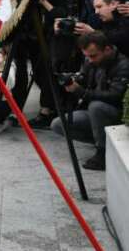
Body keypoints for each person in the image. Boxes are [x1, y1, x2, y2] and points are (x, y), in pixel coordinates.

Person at [52, 31, 129, 170]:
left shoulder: (123, 65)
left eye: (93, 56)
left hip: (118, 114)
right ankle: (106, 143)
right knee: (59, 124)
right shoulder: (91, 60)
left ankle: (102, 152)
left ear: (107, 49)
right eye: (86, 56)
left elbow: (115, 96)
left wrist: (81, 92)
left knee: (96, 107)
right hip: (95, 113)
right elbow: (83, 77)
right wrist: (73, 80)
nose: (90, 60)